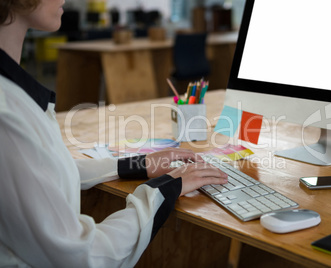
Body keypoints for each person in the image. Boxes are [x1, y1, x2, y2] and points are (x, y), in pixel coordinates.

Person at [0, 1, 228, 267]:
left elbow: (42, 170)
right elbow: (85, 257)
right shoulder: (7, 114)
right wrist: (163, 190)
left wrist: (138, 164)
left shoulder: (12, 97)